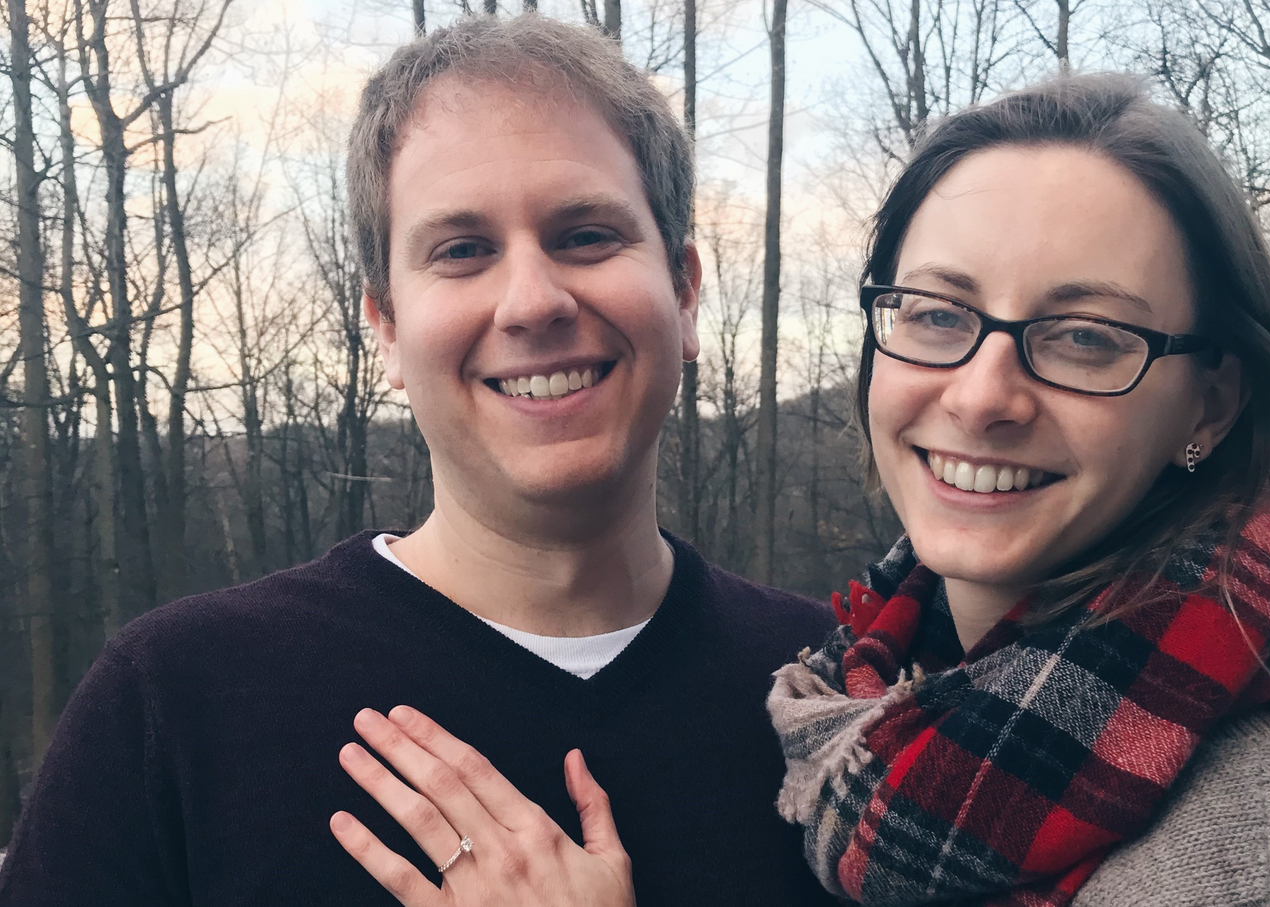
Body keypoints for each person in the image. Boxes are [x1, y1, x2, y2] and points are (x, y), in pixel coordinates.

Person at [326, 74, 1270, 907]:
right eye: (936, 313)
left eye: (1082, 337)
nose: (980, 396)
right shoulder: (853, 711)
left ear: (1207, 405)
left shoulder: (1249, 849)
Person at [0, 16, 839, 907]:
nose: (532, 301)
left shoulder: (847, 706)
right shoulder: (175, 704)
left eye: (586, 234)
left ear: (684, 291)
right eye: (463, 250)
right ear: (387, 328)